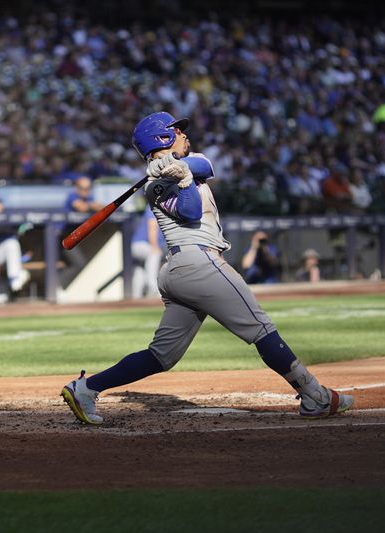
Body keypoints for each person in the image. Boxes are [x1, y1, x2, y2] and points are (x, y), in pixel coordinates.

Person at [61, 112, 353, 425]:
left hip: (183, 271)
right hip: (197, 263)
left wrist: (181, 167)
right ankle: (315, 397)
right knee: (262, 328)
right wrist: (179, 179)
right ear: (162, 138)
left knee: (161, 356)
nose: (185, 134)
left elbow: (205, 165)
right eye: (177, 131)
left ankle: (87, 388)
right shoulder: (154, 187)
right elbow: (189, 211)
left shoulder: (189, 161)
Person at [59, 176, 103, 289]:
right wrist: (91, 206)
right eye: (83, 188)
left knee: (77, 263)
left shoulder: (89, 198)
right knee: (79, 263)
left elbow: (101, 207)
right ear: (77, 188)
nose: (86, 191)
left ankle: (59, 287)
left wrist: (93, 205)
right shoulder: (72, 196)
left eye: (88, 188)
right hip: (62, 237)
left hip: (75, 239)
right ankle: (57, 287)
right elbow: (81, 207)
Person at [131, 207, 166, 299]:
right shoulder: (154, 206)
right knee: (155, 254)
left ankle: (136, 297)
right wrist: (154, 246)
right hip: (141, 244)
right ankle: (153, 289)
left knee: (141, 268)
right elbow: (152, 226)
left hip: (143, 246)